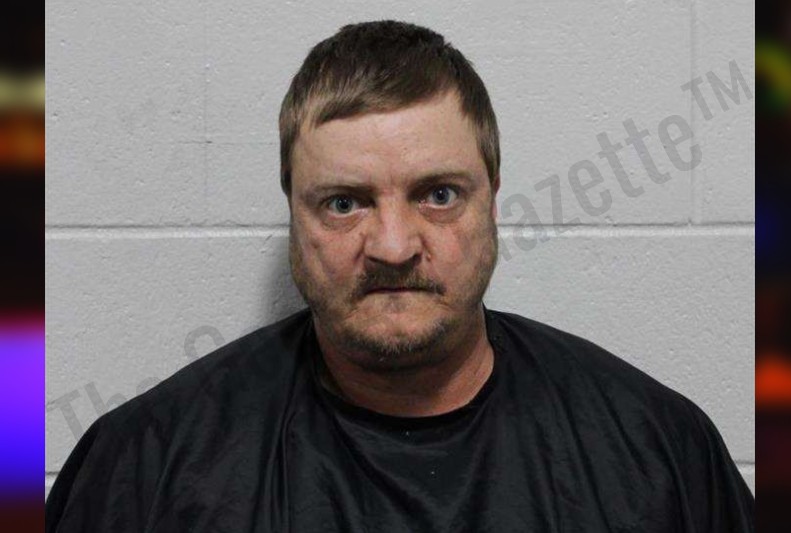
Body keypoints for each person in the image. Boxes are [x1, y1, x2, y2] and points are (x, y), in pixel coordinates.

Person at [45, 20, 754, 532]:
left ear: (492, 202)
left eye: (438, 194)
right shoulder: (148, 468)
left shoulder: (656, 452)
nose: (392, 246)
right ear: (293, 212)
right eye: (344, 203)